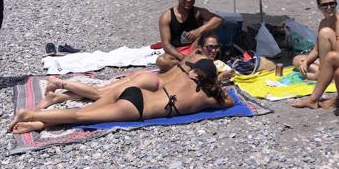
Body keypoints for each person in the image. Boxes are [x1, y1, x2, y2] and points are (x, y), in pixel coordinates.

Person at [7, 58, 234, 133]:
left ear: (194, 71)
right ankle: (28, 114)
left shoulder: (183, 75)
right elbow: (229, 101)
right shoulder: (207, 98)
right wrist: (217, 84)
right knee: (80, 117)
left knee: (86, 110)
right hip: (135, 108)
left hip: (136, 93)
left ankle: (38, 123)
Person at [36, 52, 210, 110]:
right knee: (100, 95)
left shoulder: (190, 59)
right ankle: (59, 83)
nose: (214, 50)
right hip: (153, 82)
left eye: (216, 47)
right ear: (202, 47)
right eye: (211, 47)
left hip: (146, 75)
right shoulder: (205, 66)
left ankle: (58, 98)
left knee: (102, 91)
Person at [156, 0, 223, 73]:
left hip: (195, 49)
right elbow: (166, 45)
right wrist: (183, 58)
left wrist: (199, 31)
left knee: (208, 31)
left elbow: (218, 20)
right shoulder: (167, 16)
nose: (189, 0)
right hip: (177, 52)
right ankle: (193, 67)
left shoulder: (198, 12)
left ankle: (186, 69)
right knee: (162, 61)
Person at [292, 0, 339, 80]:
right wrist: (306, 62)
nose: (329, 7)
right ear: (319, 7)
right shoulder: (323, 22)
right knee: (297, 60)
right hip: (331, 57)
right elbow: (316, 50)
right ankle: (326, 73)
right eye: (325, 5)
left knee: (325, 33)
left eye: (332, 4)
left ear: (336, 4)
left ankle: (322, 74)